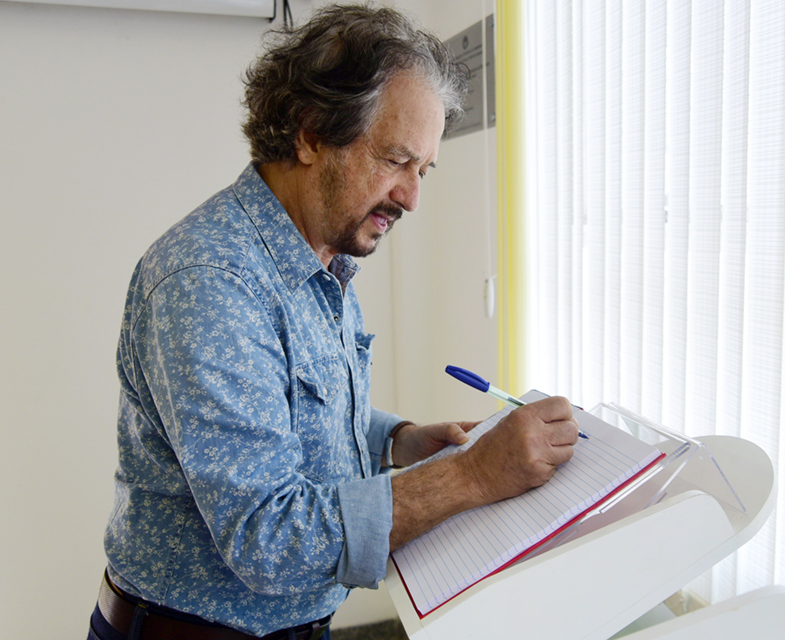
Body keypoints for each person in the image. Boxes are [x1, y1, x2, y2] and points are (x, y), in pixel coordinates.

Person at [88, 4, 579, 640]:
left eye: (422, 170)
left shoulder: (323, 256)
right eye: (396, 159)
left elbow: (289, 409)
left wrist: (397, 440)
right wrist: (473, 475)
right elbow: (268, 540)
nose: (411, 197)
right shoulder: (212, 284)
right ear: (311, 132)